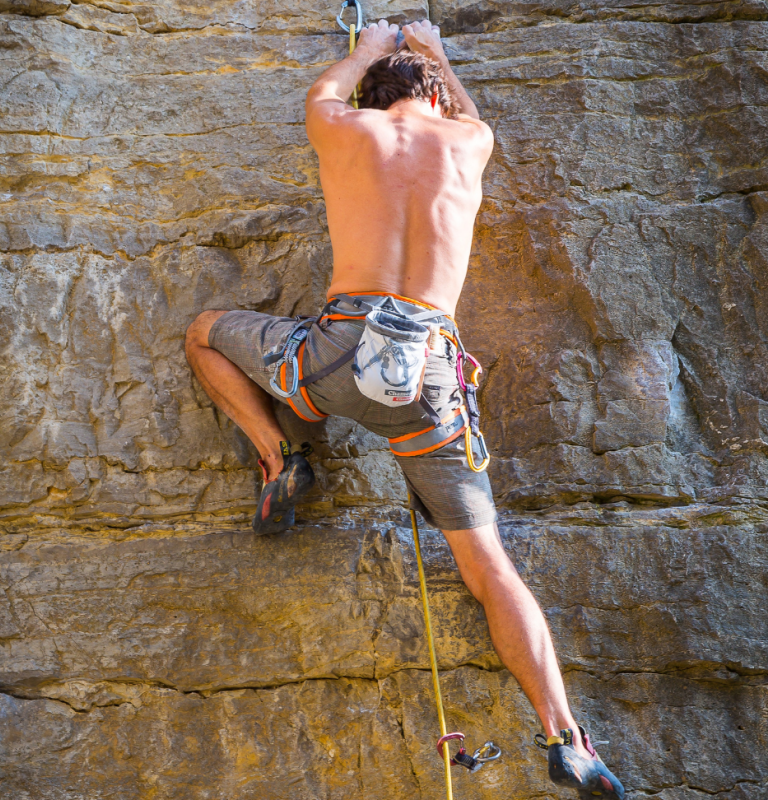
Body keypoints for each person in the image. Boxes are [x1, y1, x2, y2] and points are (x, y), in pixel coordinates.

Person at [185, 19, 624, 799]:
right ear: (432, 92)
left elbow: (323, 90)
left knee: (203, 335)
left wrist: (368, 46)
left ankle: (281, 458)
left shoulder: (341, 125)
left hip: (331, 360)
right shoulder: (471, 141)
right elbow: (460, 110)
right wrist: (434, 50)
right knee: (489, 568)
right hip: (425, 380)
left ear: (369, 94)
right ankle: (566, 737)